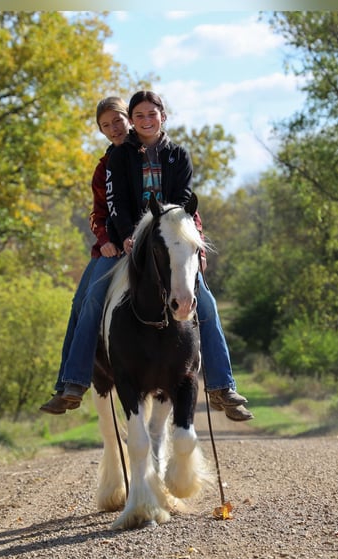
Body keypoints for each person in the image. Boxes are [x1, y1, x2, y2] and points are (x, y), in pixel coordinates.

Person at [40, 92, 253, 421]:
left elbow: (184, 203)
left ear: (162, 116)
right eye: (138, 116)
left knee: (206, 301)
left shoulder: (178, 155)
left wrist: (193, 245)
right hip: (123, 242)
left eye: (148, 114)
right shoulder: (117, 159)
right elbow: (115, 205)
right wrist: (123, 236)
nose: (144, 121)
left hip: (168, 241)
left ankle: (222, 385)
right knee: (89, 299)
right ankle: (72, 382)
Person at [39, 96, 130, 414]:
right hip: (111, 248)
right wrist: (105, 239)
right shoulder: (103, 167)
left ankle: (215, 379)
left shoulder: (148, 154)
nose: (113, 129)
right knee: (83, 302)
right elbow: (98, 214)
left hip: (148, 242)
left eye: (117, 121)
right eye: (106, 125)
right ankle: (70, 383)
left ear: (128, 118)